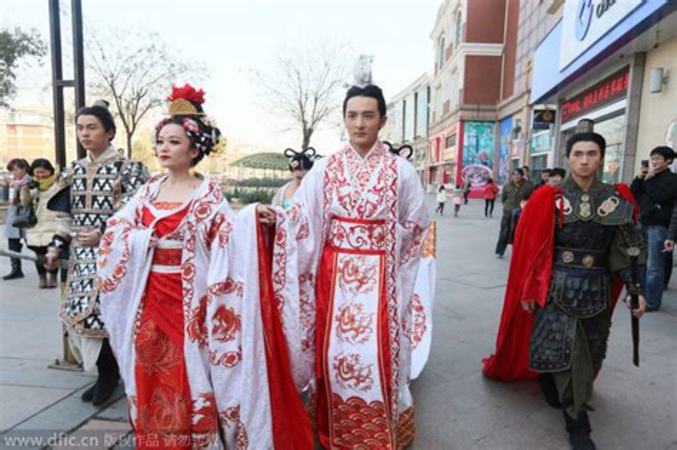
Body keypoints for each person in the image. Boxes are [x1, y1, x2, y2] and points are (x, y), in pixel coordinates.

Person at [98, 85, 312, 450]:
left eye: (174, 142)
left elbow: (228, 238)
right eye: (161, 141)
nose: (163, 148)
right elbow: (117, 228)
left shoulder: (207, 195)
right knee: (149, 370)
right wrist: (138, 240)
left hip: (190, 304)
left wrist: (251, 218)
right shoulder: (149, 190)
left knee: (187, 373)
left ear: (194, 149)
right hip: (148, 298)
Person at [276, 84, 433, 449]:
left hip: (382, 278)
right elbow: (302, 218)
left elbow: (414, 224)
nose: (359, 123)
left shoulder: (402, 171)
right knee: (333, 355)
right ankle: (332, 428)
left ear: (383, 120)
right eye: (352, 115)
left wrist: (391, 263)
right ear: (344, 119)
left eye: (368, 115)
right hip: (335, 279)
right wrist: (273, 224)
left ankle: (378, 431)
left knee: (376, 355)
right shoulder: (326, 169)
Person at [483, 132, 647, 450]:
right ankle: (578, 424)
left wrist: (634, 289)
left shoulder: (617, 199)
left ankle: (560, 389)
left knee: (589, 352)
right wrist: (530, 289)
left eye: (592, 153)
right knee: (561, 349)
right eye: (578, 154)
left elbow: (628, 249)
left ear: (601, 157)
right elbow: (534, 250)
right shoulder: (550, 198)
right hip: (556, 287)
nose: (584, 160)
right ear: (568, 158)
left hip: (597, 288)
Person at [44, 100, 149, 406]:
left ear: (110, 132)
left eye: (92, 127)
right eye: (80, 128)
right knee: (81, 318)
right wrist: (56, 245)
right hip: (81, 259)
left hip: (117, 258)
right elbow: (65, 217)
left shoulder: (130, 169)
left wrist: (104, 235)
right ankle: (107, 373)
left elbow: (138, 214)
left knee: (106, 318)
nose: (84, 134)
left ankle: (112, 375)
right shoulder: (73, 170)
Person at [630, 146, 677, 311]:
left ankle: (652, 301)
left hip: (659, 226)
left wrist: (648, 180)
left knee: (654, 266)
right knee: (640, 263)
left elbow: (659, 196)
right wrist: (640, 177)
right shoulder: (648, 177)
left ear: (668, 160)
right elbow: (633, 193)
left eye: (658, 158)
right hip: (643, 223)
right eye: (652, 158)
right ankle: (639, 296)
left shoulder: (672, 179)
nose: (654, 161)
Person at [19, 159, 60, 288]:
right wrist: (26, 189)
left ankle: (53, 276)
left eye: (43, 172)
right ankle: (42, 278)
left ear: (50, 171)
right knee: (39, 254)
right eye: (37, 173)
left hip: (53, 223)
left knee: (53, 252)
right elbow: (25, 203)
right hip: (36, 225)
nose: (40, 175)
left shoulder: (57, 184)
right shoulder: (32, 185)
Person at [495, 168, 533, 258]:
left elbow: (531, 199)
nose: (516, 177)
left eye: (518, 175)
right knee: (504, 231)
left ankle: (516, 252)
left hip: (520, 213)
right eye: (514, 175)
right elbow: (504, 198)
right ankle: (500, 251)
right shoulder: (507, 185)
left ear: (521, 175)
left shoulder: (528, 186)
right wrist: (507, 206)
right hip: (508, 212)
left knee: (518, 233)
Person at [3, 158, 30, 280]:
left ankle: (46, 270)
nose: (13, 173)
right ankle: (16, 269)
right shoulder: (13, 182)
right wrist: (5, 187)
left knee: (35, 244)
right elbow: (6, 200)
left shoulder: (30, 181)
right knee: (13, 245)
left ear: (24, 169)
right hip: (13, 217)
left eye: (15, 170)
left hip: (27, 217)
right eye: (11, 171)